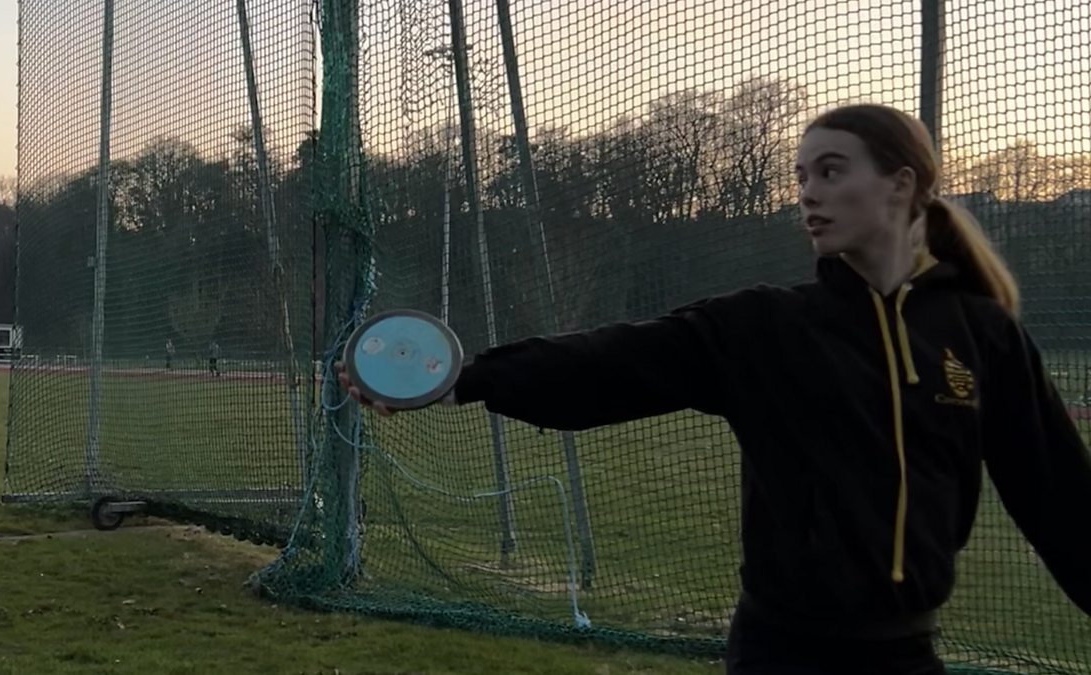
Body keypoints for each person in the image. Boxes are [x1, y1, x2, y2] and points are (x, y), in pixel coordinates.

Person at [337, 104, 1091, 674]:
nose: (808, 193)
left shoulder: (981, 333)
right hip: (780, 654)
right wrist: (458, 379)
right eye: (801, 176)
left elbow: (1058, 493)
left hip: (908, 655)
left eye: (831, 171)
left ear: (901, 185)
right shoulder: (766, 326)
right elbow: (607, 364)